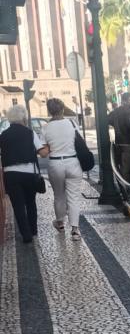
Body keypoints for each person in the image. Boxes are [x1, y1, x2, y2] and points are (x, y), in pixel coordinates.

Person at [0, 104, 48, 243]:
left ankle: (26, 235)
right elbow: (43, 153)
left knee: (18, 205)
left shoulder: (3, 135)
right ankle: (33, 230)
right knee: (30, 202)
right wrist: (50, 146)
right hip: (29, 173)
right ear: (24, 118)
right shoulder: (30, 133)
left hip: (11, 174)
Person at [42, 98, 84, 239]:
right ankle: (75, 230)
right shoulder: (72, 123)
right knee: (74, 197)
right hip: (72, 162)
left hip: (55, 164)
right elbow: (78, 140)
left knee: (59, 195)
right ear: (62, 109)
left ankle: (60, 223)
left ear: (49, 111)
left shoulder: (46, 127)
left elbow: (44, 150)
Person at [107, 92, 130, 180]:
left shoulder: (116, 110)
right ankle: (127, 190)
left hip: (118, 142)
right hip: (127, 142)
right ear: (124, 101)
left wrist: (116, 125)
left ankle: (122, 187)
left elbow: (108, 120)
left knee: (120, 167)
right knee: (126, 169)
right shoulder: (129, 110)